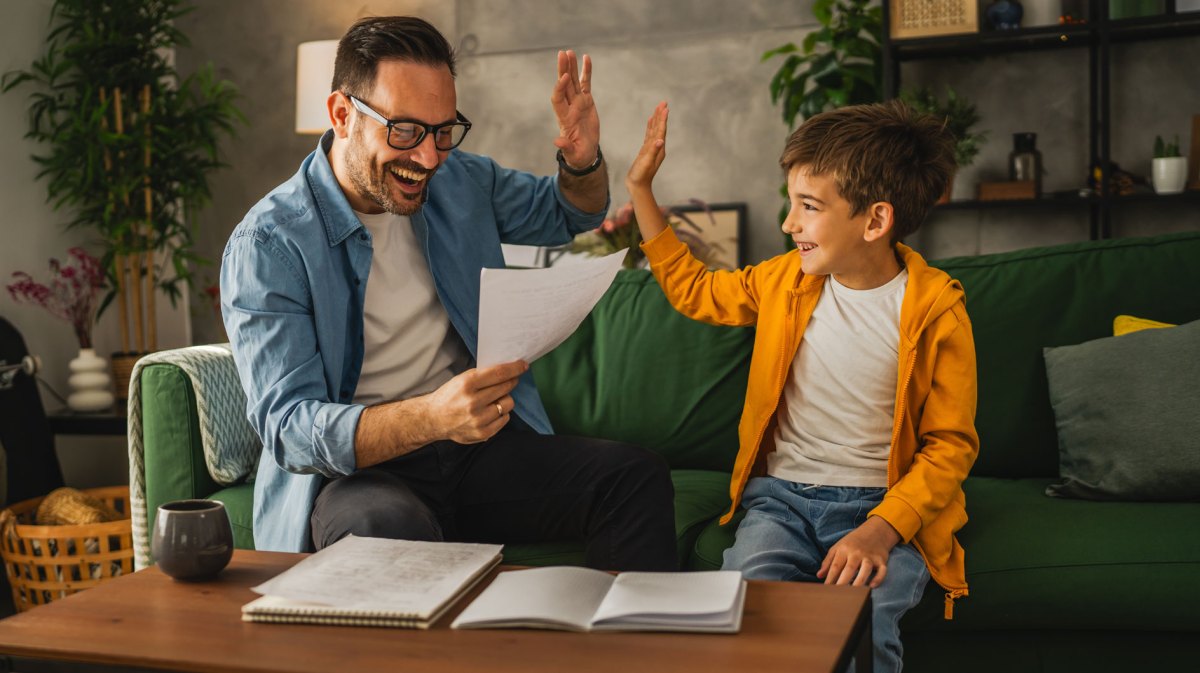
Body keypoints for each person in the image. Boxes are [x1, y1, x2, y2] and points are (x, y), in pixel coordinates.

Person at [220, 16, 676, 571]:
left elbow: (569, 210)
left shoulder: (460, 179)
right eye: (406, 130)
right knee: (382, 528)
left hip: (476, 454)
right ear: (343, 115)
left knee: (632, 477)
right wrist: (432, 418)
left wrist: (581, 161)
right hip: (361, 475)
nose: (430, 159)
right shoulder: (268, 244)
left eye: (442, 131)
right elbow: (289, 430)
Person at [623, 100, 979, 671]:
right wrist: (640, 187)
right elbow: (695, 291)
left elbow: (950, 445)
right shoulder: (783, 280)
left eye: (808, 207)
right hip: (781, 503)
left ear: (875, 221)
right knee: (747, 622)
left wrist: (883, 531)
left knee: (862, 633)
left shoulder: (936, 310)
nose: (788, 224)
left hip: (882, 509)